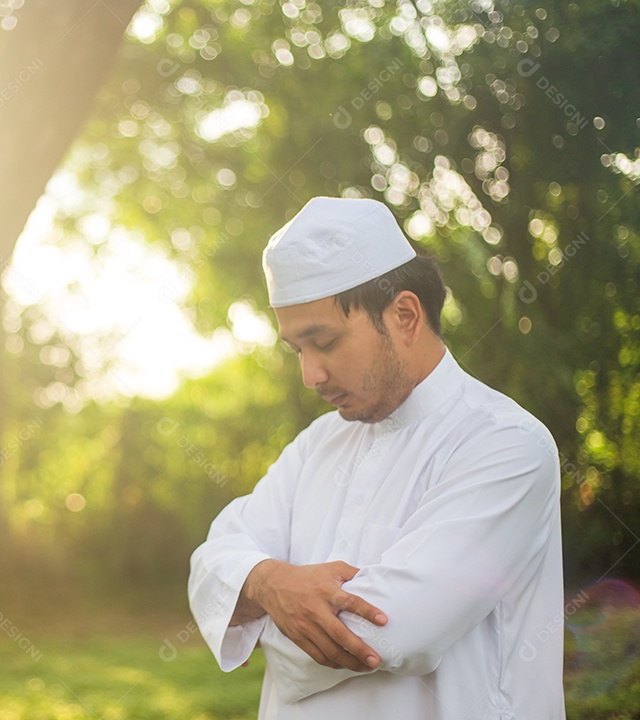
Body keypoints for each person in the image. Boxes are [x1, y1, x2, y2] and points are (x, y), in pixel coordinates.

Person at [188, 196, 564, 718]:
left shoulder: (505, 444)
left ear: (405, 315)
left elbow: (391, 633)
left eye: (323, 342)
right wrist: (271, 582)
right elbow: (210, 563)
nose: (310, 375)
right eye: (298, 349)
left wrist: (253, 608)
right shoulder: (317, 444)